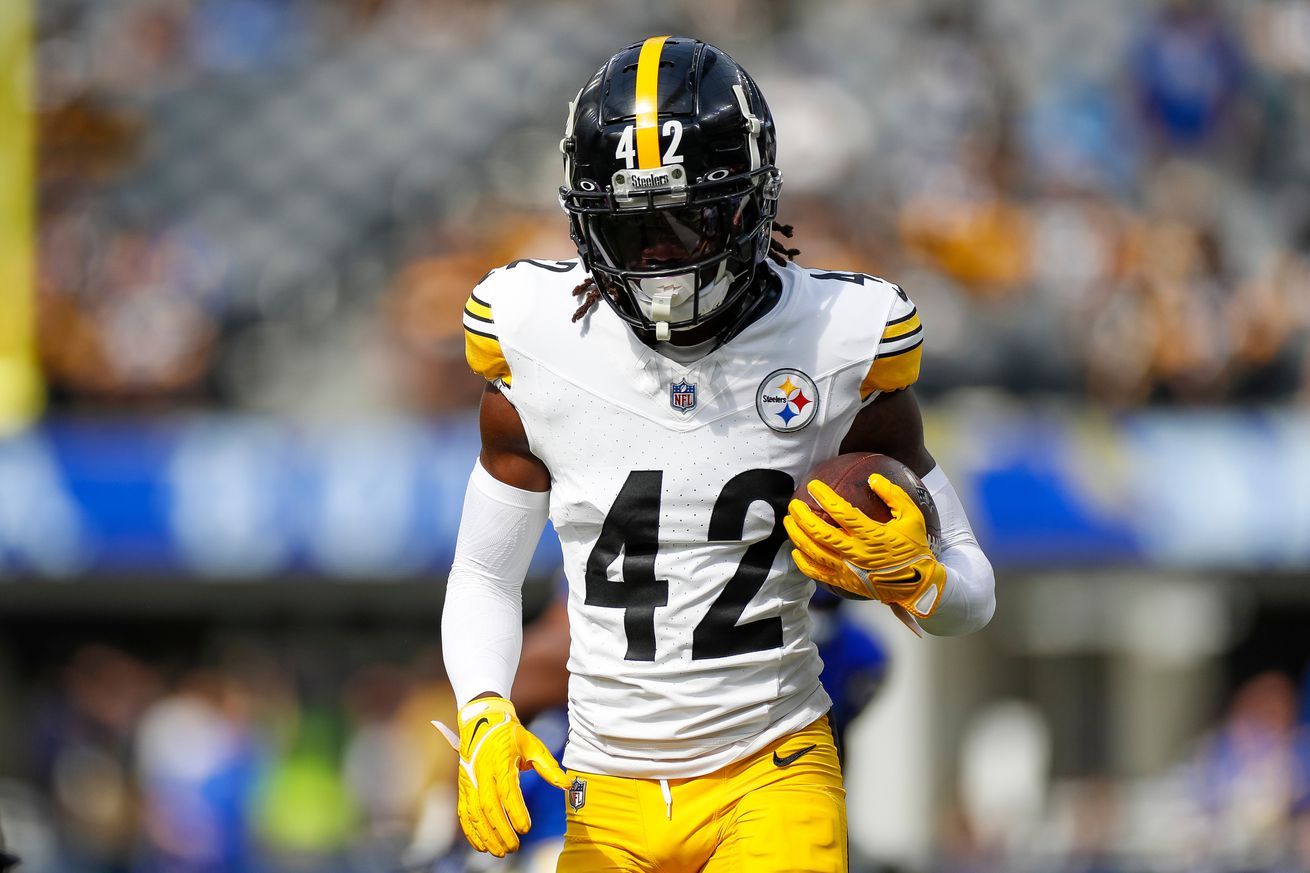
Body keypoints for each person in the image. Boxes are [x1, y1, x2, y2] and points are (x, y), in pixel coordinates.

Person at [434, 36, 996, 872]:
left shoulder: (838, 339)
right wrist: (482, 709)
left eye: (686, 218)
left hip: (770, 767)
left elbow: (974, 593)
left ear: (753, 203)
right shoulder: (537, 337)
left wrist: (922, 577)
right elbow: (484, 574)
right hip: (603, 783)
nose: (661, 256)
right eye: (632, 228)